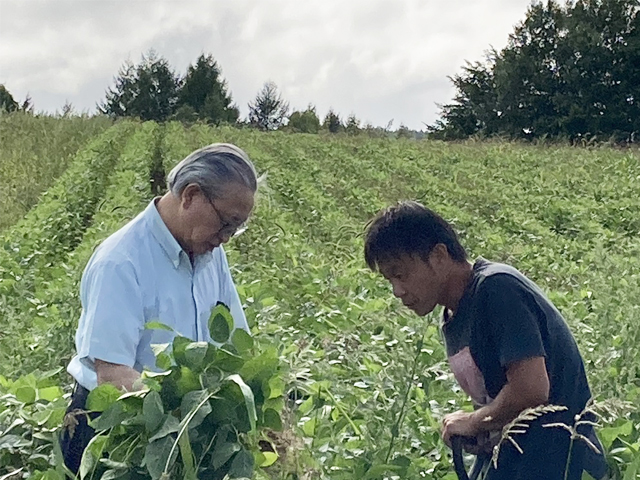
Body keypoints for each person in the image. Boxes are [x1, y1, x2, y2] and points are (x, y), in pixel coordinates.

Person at [363, 201, 608, 480]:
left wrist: (473, 422)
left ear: (439, 256)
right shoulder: (455, 314)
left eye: (400, 274)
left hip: (558, 462)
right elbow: (503, 400)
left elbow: (531, 390)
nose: (396, 290)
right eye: (389, 279)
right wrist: (482, 430)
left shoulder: (495, 287)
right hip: (517, 462)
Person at [60, 143, 260, 474]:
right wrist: (187, 413)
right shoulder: (121, 262)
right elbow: (112, 376)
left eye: (236, 228)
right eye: (226, 222)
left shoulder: (211, 255)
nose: (226, 237)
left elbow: (237, 343)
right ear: (191, 196)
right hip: (117, 435)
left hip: (186, 433)